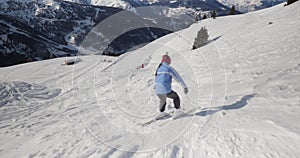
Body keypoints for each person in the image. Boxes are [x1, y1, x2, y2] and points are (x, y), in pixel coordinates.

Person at [155, 53, 188, 118]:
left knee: (163, 99)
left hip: (158, 90)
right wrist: (184, 87)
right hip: (165, 90)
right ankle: (177, 111)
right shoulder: (169, 68)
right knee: (175, 97)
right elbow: (178, 78)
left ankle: (161, 112)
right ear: (168, 61)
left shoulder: (159, 69)